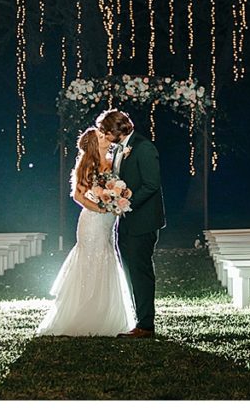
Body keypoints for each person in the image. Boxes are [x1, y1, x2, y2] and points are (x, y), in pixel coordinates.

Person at [36, 127, 136, 337]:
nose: (106, 137)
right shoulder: (86, 164)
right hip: (92, 220)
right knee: (92, 258)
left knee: (107, 257)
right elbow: (78, 196)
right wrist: (100, 208)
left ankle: (106, 313)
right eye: (101, 136)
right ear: (93, 143)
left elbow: (116, 185)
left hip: (109, 220)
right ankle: (86, 315)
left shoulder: (112, 161)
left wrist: (118, 196)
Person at [95, 108, 164, 339]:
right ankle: (137, 319)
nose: (103, 135)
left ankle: (146, 325)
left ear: (116, 130)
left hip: (142, 222)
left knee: (140, 272)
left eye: (105, 131)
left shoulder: (144, 147)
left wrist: (128, 202)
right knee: (130, 272)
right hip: (125, 222)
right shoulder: (119, 149)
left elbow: (152, 184)